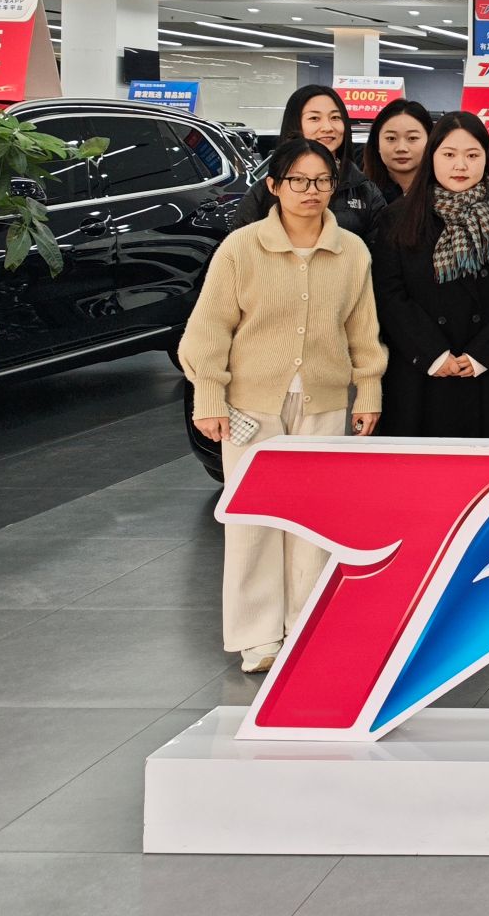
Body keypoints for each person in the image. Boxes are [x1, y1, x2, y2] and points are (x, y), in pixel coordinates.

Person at [180, 138, 385, 674]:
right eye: (297, 180)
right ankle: (257, 635)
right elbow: (208, 331)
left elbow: (363, 332)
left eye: (321, 181)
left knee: (317, 521)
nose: (310, 191)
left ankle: (306, 625)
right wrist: (208, 395)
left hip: (324, 403)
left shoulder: (351, 252)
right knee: (253, 522)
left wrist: (368, 390)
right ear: (273, 185)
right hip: (251, 406)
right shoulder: (241, 248)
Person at [371, 112, 489, 437]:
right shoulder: (399, 218)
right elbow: (390, 294)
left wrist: (481, 355)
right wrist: (434, 355)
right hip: (421, 372)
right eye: (449, 155)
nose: (460, 166)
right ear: (432, 157)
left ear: (486, 159)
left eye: (472, 155)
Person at [233, 85, 384, 238]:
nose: (327, 127)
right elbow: (241, 244)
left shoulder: (365, 190)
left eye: (335, 117)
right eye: (314, 118)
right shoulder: (263, 191)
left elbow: (378, 248)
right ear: (295, 124)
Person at [362, 99, 432, 203]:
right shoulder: (360, 194)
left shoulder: (445, 196)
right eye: (391, 138)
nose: (401, 148)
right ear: (377, 143)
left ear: (430, 140)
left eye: (412, 138)